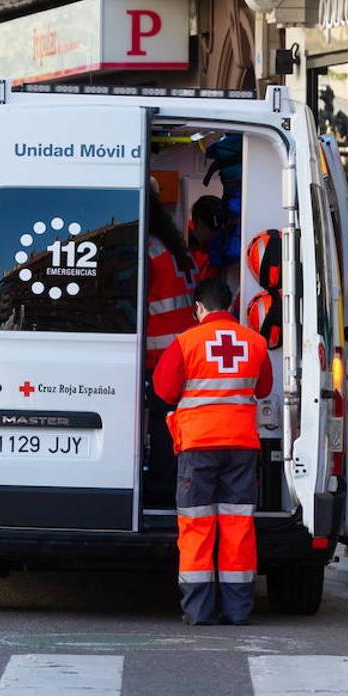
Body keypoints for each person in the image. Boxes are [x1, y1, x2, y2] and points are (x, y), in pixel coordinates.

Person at [152, 278, 272, 625]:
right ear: (231, 305)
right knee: (237, 527)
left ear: (199, 308)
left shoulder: (186, 342)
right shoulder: (255, 342)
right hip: (241, 446)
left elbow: (163, 389)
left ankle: (199, 611)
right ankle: (237, 611)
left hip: (199, 446)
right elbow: (263, 388)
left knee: (197, 526)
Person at [143, 193, 198, 507]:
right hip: (184, 349)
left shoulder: (147, 248)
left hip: (160, 351)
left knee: (162, 425)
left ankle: (163, 486)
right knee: (170, 423)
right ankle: (171, 480)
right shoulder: (176, 250)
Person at [188, 195, 222, 283]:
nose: (194, 233)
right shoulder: (228, 254)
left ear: (200, 223)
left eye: (195, 226)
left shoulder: (213, 264)